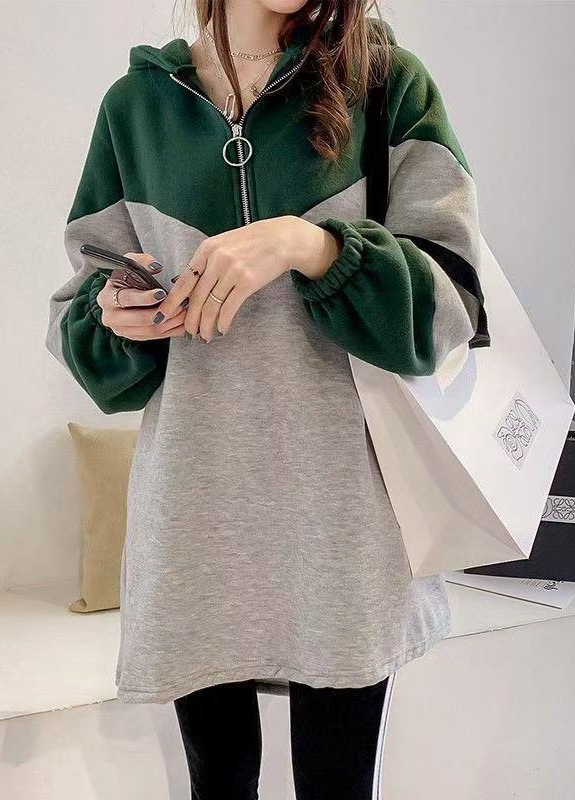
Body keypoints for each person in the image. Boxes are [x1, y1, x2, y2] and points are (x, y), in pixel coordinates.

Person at [45, 1, 487, 797]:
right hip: (195, 518)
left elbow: (452, 306)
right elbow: (81, 313)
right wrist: (114, 315)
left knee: (336, 784)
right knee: (217, 782)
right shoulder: (135, 109)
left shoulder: (386, 84)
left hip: (345, 523)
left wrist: (309, 244)